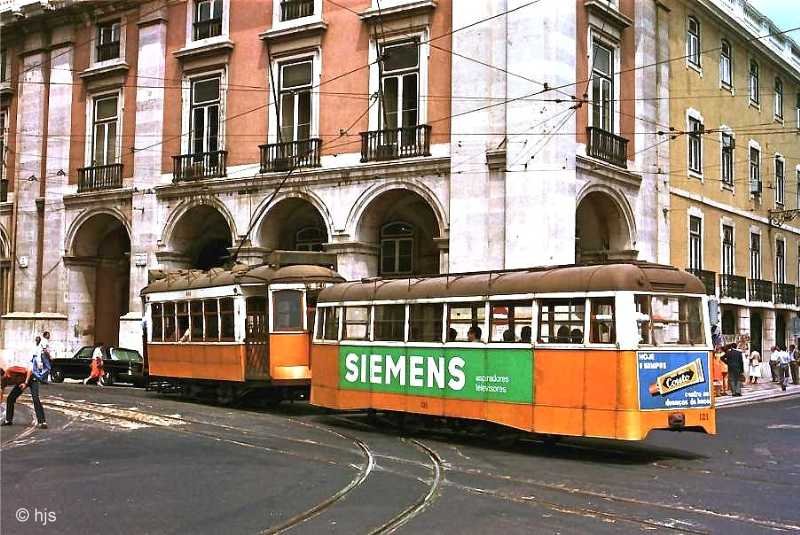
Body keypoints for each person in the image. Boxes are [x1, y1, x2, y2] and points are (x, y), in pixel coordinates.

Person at [1, 339, 49, 428]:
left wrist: (25, 383)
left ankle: (42, 422)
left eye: (3, 378)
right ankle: (8, 420)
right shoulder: (3, 381)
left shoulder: (11, 370)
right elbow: (1, 391)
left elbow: (29, 371)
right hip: (21, 383)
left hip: (31, 379)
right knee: (10, 398)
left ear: (4, 374)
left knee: (35, 398)